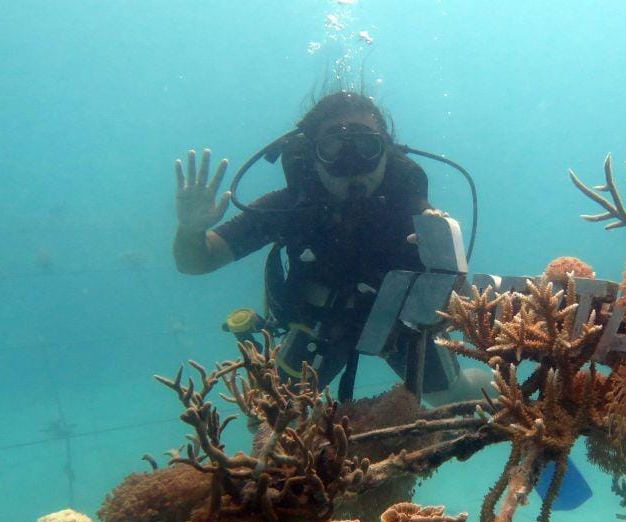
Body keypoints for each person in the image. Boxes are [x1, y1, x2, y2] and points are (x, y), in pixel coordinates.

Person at [172, 91, 462, 399]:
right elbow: (197, 261)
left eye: (366, 146)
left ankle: (478, 384)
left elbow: (457, 294)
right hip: (319, 328)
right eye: (333, 146)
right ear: (312, 154)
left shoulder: (413, 211)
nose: (351, 163)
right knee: (268, 418)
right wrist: (190, 230)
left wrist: (444, 253)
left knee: (456, 396)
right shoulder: (288, 208)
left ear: (387, 153)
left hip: (397, 326)